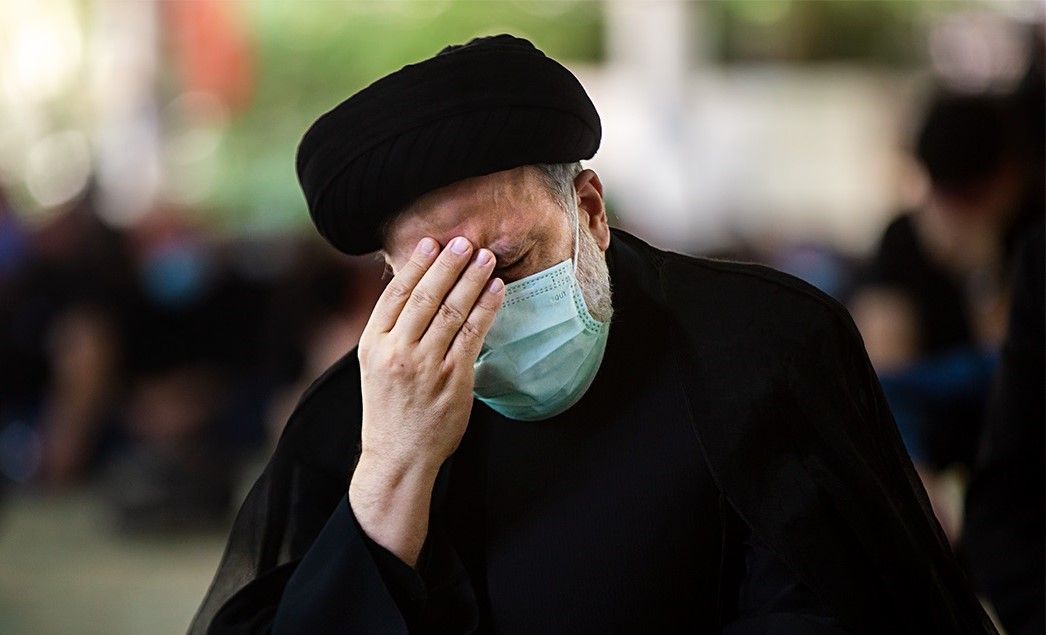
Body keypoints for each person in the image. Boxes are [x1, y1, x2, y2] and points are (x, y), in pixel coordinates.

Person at [191, 34, 998, 634]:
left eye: (507, 264)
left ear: (590, 211)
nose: (481, 307)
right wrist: (392, 475)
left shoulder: (762, 347)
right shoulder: (355, 422)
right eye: (436, 284)